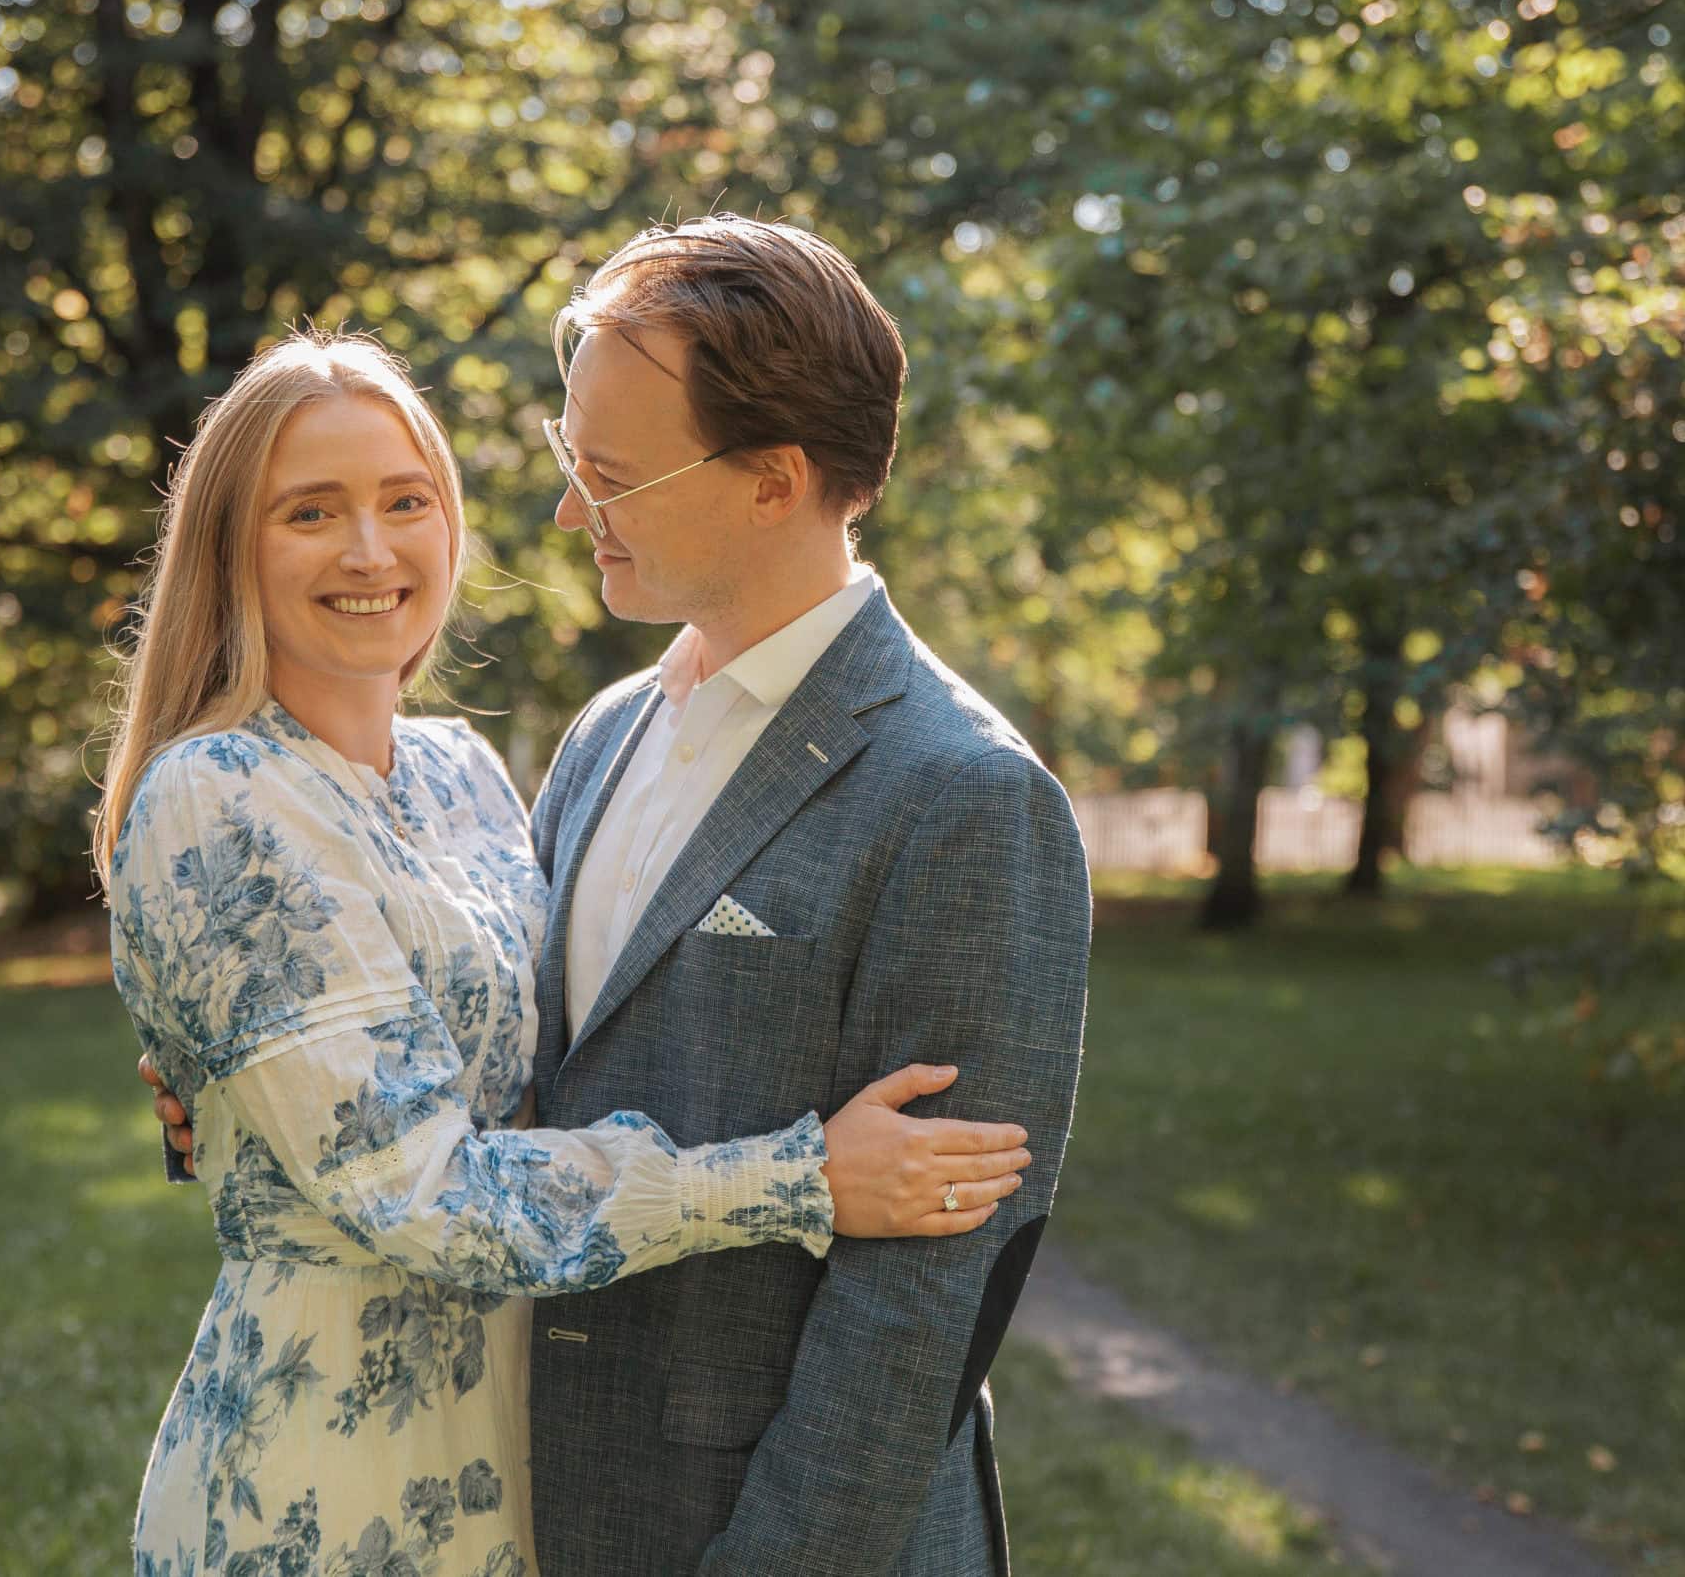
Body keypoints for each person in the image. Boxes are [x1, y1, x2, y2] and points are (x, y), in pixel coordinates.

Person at [150, 216, 1093, 1573]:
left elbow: (925, 1311)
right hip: (530, 1499)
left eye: (611, 474)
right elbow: (491, 1061)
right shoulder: (604, 734)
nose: (566, 513)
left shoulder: (963, 797)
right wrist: (248, 1079)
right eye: (565, 460)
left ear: (773, 479)